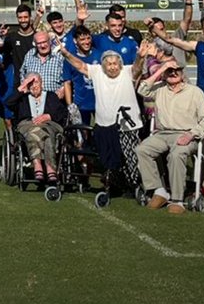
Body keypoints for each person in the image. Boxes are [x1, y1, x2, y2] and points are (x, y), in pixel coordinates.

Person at [57, 46, 143, 190]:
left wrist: (140, 56)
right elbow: (80, 65)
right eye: (109, 64)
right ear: (103, 65)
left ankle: (134, 185)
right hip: (104, 125)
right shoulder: (97, 72)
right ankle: (114, 182)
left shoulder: (127, 71)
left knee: (130, 157)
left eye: (115, 63)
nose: (112, 67)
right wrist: (66, 54)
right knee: (108, 157)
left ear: (120, 64)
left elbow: (137, 69)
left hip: (128, 124)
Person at [136, 61, 204, 212]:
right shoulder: (160, 89)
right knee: (142, 149)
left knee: (176, 155)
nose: (173, 73)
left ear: (183, 74)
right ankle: (158, 191)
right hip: (162, 134)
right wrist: (161, 69)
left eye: (177, 70)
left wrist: (191, 134)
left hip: (186, 134)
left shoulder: (195, 92)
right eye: (169, 71)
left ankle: (178, 200)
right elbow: (142, 89)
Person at [8, 72, 67, 185]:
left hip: (49, 125)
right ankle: (42, 165)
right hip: (28, 125)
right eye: (31, 83)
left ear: (42, 84)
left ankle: (43, 165)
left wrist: (49, 116)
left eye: (36, 82)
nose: (34, 86)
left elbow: (63, 113)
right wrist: (22, 86)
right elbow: (8, 103)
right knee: (35, 131)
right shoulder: (23, 98)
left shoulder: (51, 96)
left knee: (45, 132)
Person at [61, 26, 98, 126]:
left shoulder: (99, 55)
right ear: (75, 41)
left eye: (88, 38)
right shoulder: (70, 59)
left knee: (101, 135)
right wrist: (70, 106)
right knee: (82, 136)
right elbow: (67, 83)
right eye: (82, 39)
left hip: (100, 104)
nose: (86, 42)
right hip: (81, 105)